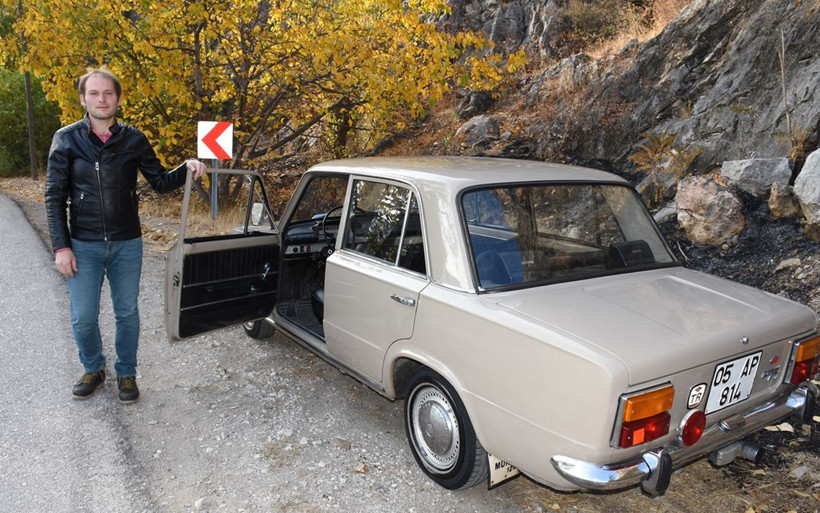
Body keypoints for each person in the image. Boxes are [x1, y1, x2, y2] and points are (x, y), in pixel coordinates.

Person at [45, 67, 206, 404]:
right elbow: (54, 197)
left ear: (117, 98)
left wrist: (187, 166)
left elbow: (160, 182)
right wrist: (62, 247)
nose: (101, 99)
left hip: (127, 243)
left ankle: (127, 372)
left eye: (108, 93)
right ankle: (93, 368)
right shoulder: (66, 138)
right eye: (94, 93)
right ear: (83, 98)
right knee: (83, 316)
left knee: (127, 312)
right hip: (83, 245)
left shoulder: (134, 139)